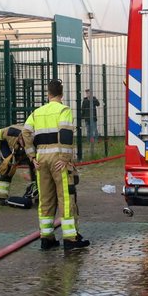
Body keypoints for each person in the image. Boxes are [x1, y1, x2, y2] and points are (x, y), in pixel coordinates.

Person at [25, 78, 89, 250]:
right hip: (58, 159)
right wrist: (65, 158)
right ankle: (70, 239)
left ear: (48, 94)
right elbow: (66, 133)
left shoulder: (37, 113)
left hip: (41, 160)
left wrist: (32, 157)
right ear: (61, 94)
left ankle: (46, 238)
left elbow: (26, 133)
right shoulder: (63, 110)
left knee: (45, 199)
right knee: (65, 197)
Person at [0, 122, 35, 201]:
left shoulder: (32, 138)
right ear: (20, 138)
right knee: (8, 166)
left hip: (17, 148)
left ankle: (35, 193)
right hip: (4, 144)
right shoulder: (11, 132)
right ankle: (1, 195)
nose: (24, 144)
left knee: (34, 166)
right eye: (23, 142)